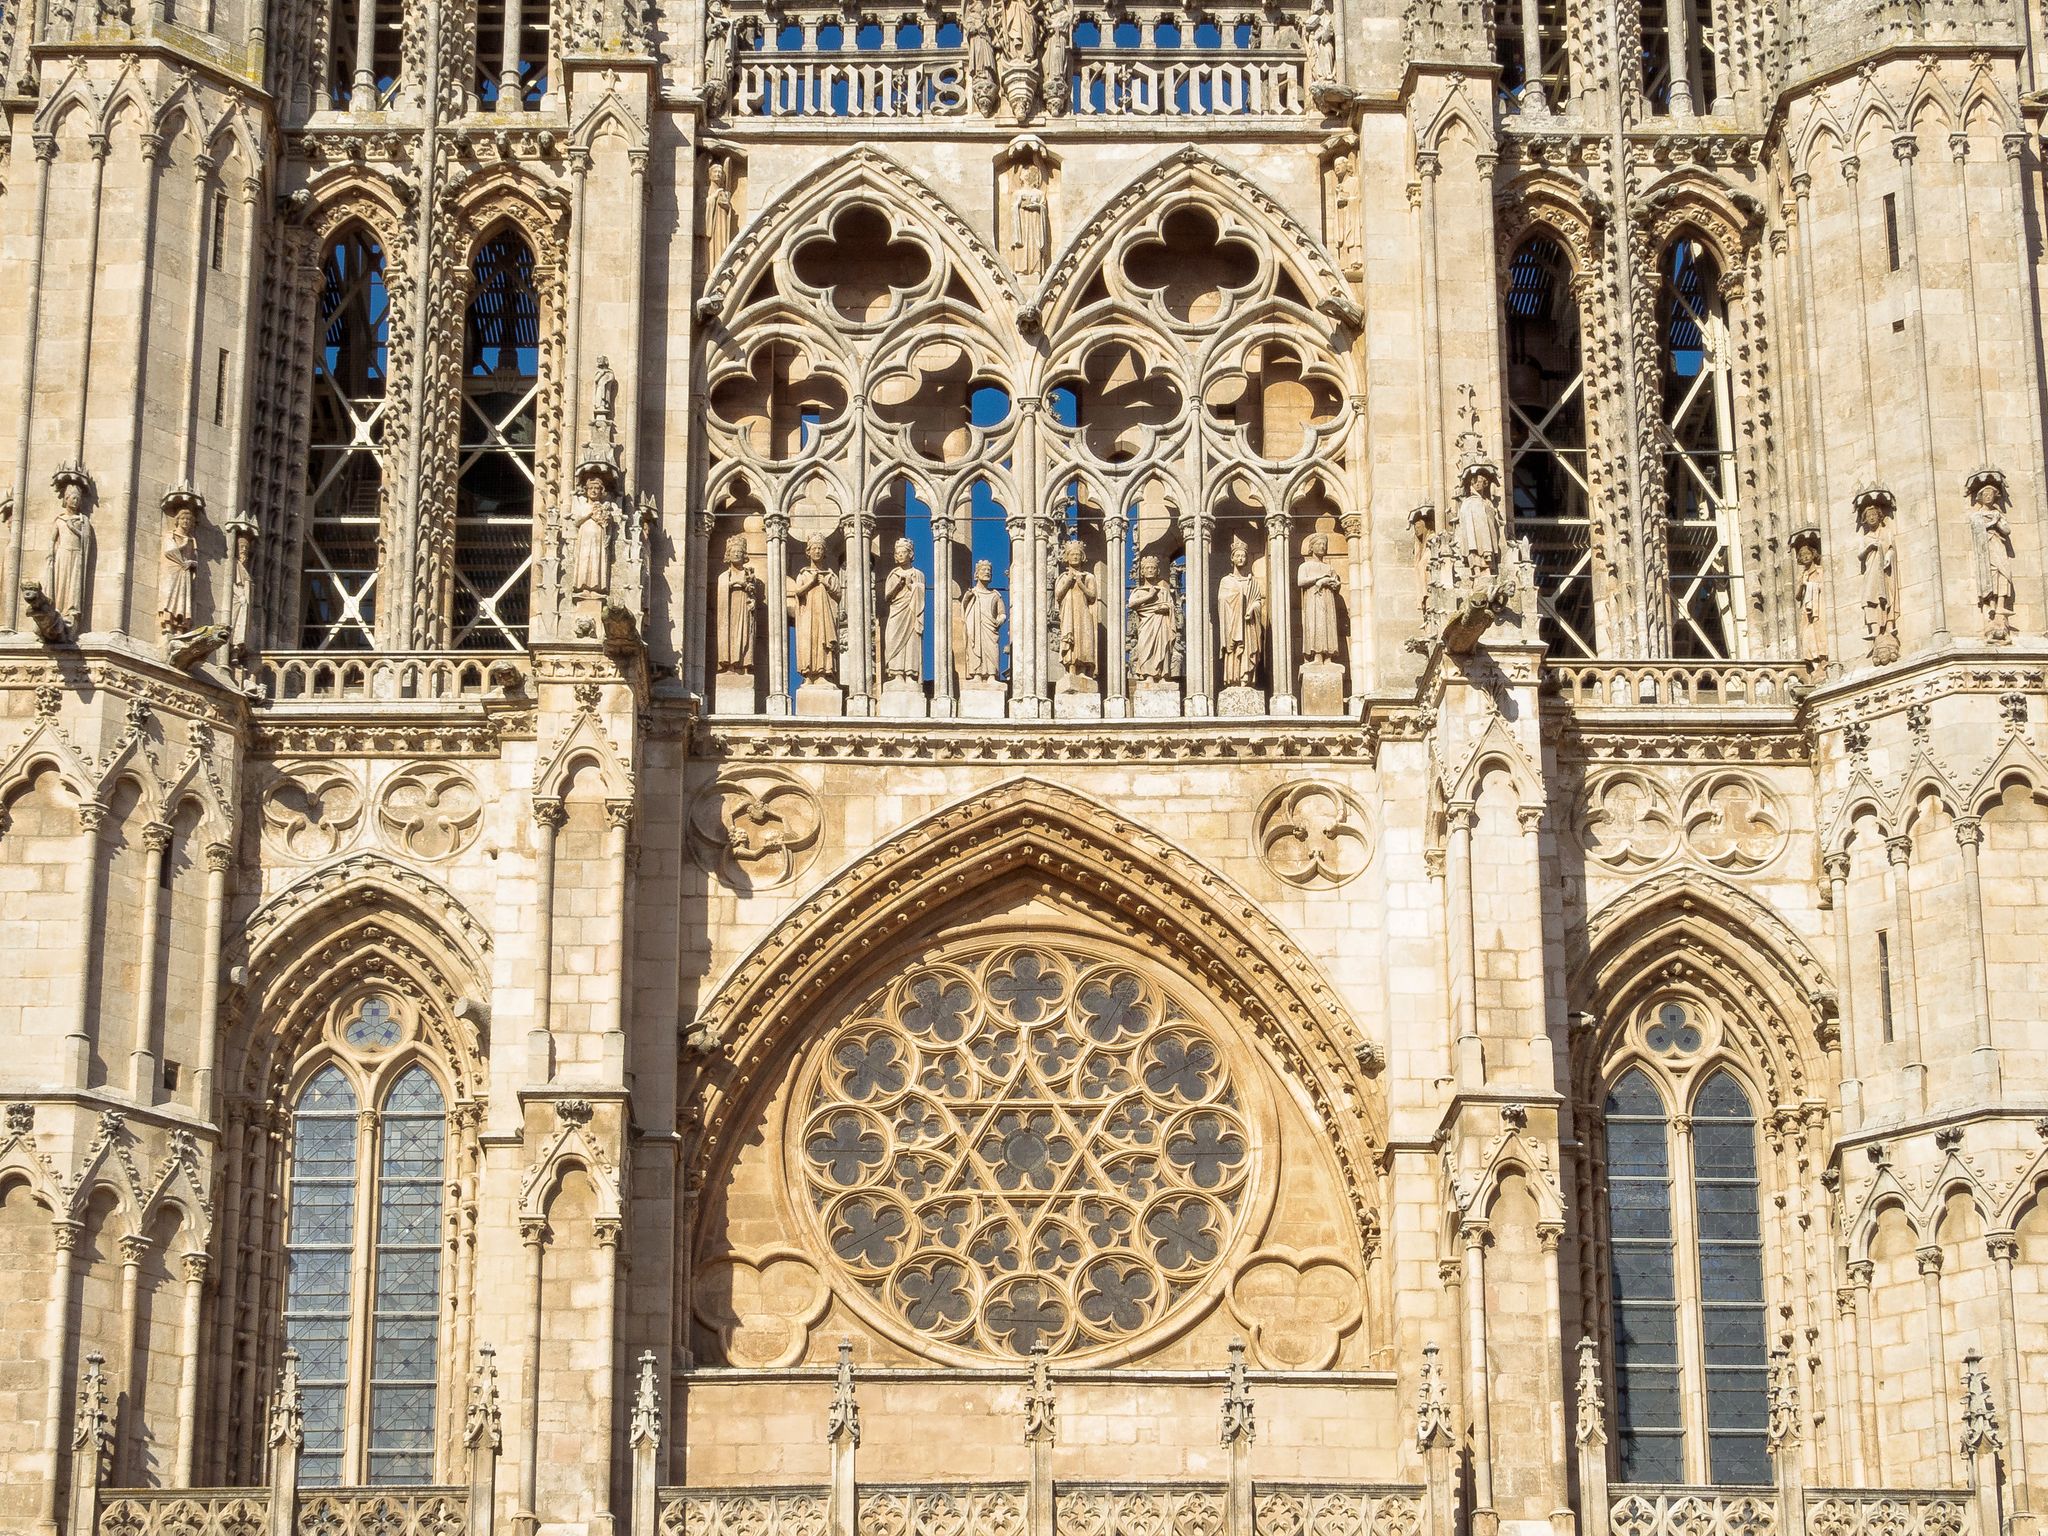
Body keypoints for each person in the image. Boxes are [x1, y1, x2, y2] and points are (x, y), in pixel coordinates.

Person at [791, 536, 843, 682]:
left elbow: (838, 595)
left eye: (820, 548)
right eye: (814, 548)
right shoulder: (804, 574)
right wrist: (812, 583)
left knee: (823, 640)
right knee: (809, 641)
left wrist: (826, 584)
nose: (817, 551)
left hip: (825, 617)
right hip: (808, 616)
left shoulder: (830, 575)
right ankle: (809, 674)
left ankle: (823, 673)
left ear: (824, 551)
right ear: (808, 552)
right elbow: (798, 592)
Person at [1217, 535, 1264, 689]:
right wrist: (1236, 599)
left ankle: (1246, 679)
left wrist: (1252, 608)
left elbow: (1258, 601)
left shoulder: (1252, 582)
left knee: (1248, 650)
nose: (1241, 558)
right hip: (1233, 624)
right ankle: (1233, 679)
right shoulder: (1226, 581)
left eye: (1243, 556)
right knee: (1233, 650)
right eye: (1238, 555)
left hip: (1248, 625)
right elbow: (1221, 601)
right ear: (1232, 558)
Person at [48, 478, 92, 627]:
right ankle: (58, 609)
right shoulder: (60, 519)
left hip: (77, 553)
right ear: (66, 499)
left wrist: (74, 527)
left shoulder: (82, 519)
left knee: (74, 582)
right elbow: (52, 539)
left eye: (78, 499)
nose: (76, 502)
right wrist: (50, 555)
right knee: (61, 581)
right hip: (63, 553)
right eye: (73, 498)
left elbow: (86, 537)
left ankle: (72, 610)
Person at [1054, 538, 1099, 684]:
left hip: (1084, 612)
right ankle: (1071, 668)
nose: (1075, 557)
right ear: (1066, 557)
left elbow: (1092, 596)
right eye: (1072, 554)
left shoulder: (1089, 577)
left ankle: (1084, 670)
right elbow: (1058, 595)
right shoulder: (1062, 577)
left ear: (1083, 557)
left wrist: (1080, 583)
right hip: (1068, 612)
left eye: (1078, 554)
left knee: (1084, 640)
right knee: (1070, 638)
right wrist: (1069, 581)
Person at [882, 536, 925, 681]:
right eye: (898, 552)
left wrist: (911, 586)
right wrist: (898, 586)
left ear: (911, 554)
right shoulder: (893, 574)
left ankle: (910, 673)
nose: (900, 555)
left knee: (911, 641)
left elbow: (921, 593)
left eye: (903, 552)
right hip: (897, 612)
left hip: (912, 612)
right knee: (894, 639)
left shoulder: (918, 574)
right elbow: (887, 596)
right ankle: (897, 674)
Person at [1128, 553, 1177, 681]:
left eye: (1153, 568)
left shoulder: (1163, 591)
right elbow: (1131, 604)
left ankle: (1161, 674)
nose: (1150, 570)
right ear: (1142, 572)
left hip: (1161, 625)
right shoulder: (1138, 591)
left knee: (1162, 647)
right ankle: (1148, 675)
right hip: (1146, 625)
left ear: (1158, 571)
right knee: (1145, 647)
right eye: (1147, 568)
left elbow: (1171, 606)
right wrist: (1149, 596)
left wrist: (1166, 608)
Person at [716, 534, 760, 674]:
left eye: (739, 551)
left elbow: (753, 593)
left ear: (744, 555)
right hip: (729, 611)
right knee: (730, 635)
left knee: (746, 635)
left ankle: (744, 664)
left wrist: (749, 592)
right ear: (728, 554)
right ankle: (730, 665)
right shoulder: (724, 576)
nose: (736, 554)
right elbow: (722, 592)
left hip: (744, 608)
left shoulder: (749, 575)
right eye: (733, 551)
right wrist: (733, 584)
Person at [1298, 531, 1342, 663]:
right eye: (1319, 544)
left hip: (1328, 600)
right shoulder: (1305, 566)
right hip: (1313, 600)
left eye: (1324, 544)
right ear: (1311, 547)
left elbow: (1336, 585)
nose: (1322, 546)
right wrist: (1319, 578)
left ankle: (1328, 656)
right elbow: (1300, 581)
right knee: (1316, 625)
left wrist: (1335, 583)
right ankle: (1317, 655)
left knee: (1329, 624)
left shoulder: (1329, 568)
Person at [961, 559, 1005, 681]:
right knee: (975, 648)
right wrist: (967, 597)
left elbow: (1002, 613)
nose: (987, 572)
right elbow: (964, 608)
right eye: (984, 570)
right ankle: (977, 675)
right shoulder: (972, 593)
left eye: (989, 570)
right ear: (977, 573)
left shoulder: (995, 595)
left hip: (990, 629)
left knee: (992, 650)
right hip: (976, 628)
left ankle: (991, 675)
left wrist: (1000, 620)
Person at [571, 471, 614, 596]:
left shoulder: (604, 507)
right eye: (591, 488)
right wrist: (591, 513)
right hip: (585, 536)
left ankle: (596, 588)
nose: (593, 491)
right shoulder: (582, 505)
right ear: (586, 490)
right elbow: (577, 521)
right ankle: (583, 587)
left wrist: (603, 516)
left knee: (597, 559)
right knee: (585, 559)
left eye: (596, 488)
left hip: (598, 536)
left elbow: (607, 525)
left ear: (601, 491)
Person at [159, 504, 198, 633]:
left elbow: (195, 558)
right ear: (177, 520)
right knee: (170, 597)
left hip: (185, 571)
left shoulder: (192, 539)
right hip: (172, 570)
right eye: (183, 519)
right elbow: (169, 552)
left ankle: (180, 628)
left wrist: (192, 564)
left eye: (189, 520)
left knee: (183, 600)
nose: (186, 522)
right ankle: (168, 625)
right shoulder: (171, 535)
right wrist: (183, 544)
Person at [1013, 163, 1050, 280]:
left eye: (1030, 173)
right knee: (1022, 245)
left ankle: (1036, 270)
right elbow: (1013, 208)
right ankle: (1020, 269)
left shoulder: (1039, 194)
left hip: (1035, 223)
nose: (1027, 175)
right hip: (1022, 223)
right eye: (1024, 173)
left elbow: (1043, 208)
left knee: (1034, 245)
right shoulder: (1017, 193)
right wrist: (1018, 204)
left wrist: (1037, 207)